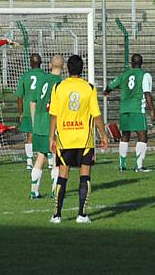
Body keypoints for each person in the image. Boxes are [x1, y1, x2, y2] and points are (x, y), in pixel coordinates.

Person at [49, 55, 109, 224]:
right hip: (84, 140)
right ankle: (82, 215)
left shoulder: (58, 87)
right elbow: (96, 115)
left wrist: (51, 137)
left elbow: (53, 115)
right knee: (85, 175)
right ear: (82, 69)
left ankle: (56, 216)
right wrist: (103, 135)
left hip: (64, 139)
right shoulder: (89, 88)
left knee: (63, 174)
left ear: (67, 69)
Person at [104, 53, 155, 172]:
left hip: (124, 109)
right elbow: (147, 93)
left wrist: (107, 91)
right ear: (141, 63)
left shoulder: (124, 75)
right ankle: (139, 166)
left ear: (131, 64)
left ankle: (122, 165)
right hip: (137, 108)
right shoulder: (145, 75)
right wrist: (152, 110)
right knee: (142, 135)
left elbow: (110, 85)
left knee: (125, 135)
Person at [28, 55, 64, 199]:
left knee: (40, 157)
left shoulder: (42, 79)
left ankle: (34, 191)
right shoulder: (60, 83)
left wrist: (34, 121)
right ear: (64, 67)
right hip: (52, 123)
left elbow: (32, 101)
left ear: (50, 65)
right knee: (56, 157)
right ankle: (55, 192)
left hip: (39, 121)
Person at [16, 54, 47, 170]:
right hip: (43, 110)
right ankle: (49, 161)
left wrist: (21, 112)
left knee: (30, 136)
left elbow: (19, 96)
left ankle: (29, 162)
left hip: (29, 110)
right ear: (41, 63)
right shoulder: (45, 76)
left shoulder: (25, 76)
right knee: (46, 134)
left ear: (30, 63)